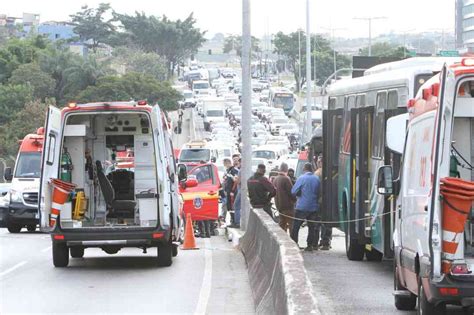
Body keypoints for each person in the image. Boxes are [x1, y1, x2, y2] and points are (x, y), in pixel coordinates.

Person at [290, 163, 321, 252]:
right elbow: (319, 192)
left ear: (304, 169)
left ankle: (294, 243)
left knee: (296, 226)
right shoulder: (316, 179)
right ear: (311, 169)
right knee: (311, 227)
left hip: (302, 206)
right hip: (313, 207)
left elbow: (293, 191)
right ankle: (310, 245)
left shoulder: (301, 178)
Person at [273, 163, 296, 234]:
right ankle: (293, 241)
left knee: (282, 224)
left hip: (279, 206)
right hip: (288, 206)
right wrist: (295, 200)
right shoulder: (286, 179)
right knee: (292, 225)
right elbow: (291, 192)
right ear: (286, 169)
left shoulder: (275, 179)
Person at [223, 158, 238, 225]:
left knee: (232, 206)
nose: (224, 165)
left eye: (225, 164)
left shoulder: (233, 171)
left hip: (232, 192)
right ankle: (232, 220)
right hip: (228, 191)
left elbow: (235, 181)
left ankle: (234, 221)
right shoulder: (228, 171)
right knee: (229, 206)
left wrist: (232, 190)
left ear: (228, 163)